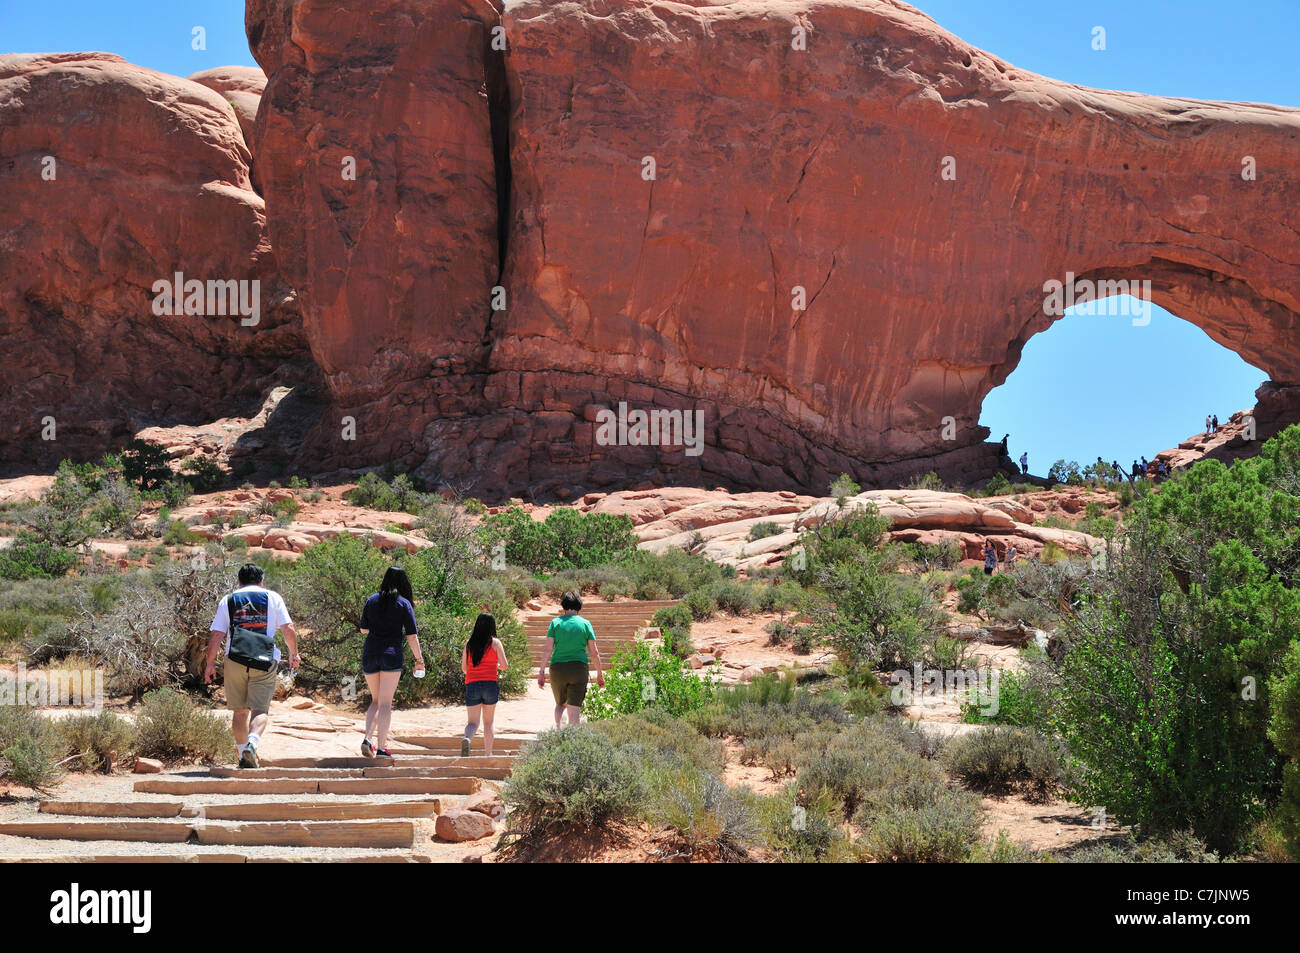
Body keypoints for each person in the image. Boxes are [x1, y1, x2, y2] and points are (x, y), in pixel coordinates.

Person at [206, 563, 299, 769]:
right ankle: (252, 743)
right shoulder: (273, 598)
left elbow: (217, 635)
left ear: (239, 582)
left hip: (235, 659)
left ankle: (242, 756)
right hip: (264, 660)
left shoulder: (228, 599)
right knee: (260, 709)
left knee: (239, 711)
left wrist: (210, 663)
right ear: (261, 581)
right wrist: (294, 654)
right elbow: (288, 628)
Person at [358, 566, 423, 759]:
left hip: (370, 653)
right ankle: (381, 748)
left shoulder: (371, 600)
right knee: (385, 703)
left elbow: (363, 629)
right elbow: (412, 636)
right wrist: (419, 660)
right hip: (391, 654)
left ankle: (368, 738)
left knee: (375, 701)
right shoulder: (403, 604)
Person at [537, 591, 604, 726]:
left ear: (563, 605)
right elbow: (594, 652)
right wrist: (599, 674)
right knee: (574, 710)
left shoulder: (556, 622)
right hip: (579, 668)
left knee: (560, 704)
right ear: (579, 604)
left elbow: (548, 649)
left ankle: (559, 733)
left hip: (558, 668)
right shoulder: (585, 624)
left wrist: (541, 672)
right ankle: (572, 741)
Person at [461, 613, 508, 757]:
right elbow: (505, 665)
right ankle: (488, 754)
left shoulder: (469, 644)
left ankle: (467, 739)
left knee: (472, 723)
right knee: (488, 722)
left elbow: (464, 668)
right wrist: (496, 665)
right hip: (490, 684)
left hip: (472, 684)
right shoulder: (495, 643)